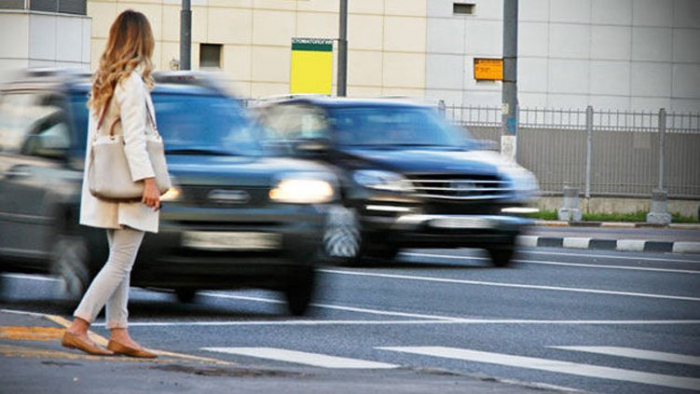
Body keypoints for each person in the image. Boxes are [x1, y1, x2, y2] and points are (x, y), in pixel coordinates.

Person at [61, 10, 162, 359]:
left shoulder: (106, 79)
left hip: (110, 183)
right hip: (130, 185)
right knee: (120, 260)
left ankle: (119, 331)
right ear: (142, 40)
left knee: (120, 260)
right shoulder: (131, 82)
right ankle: (79, 325)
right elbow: (134, 140)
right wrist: (149, 181)